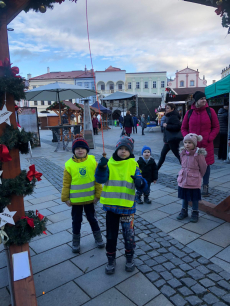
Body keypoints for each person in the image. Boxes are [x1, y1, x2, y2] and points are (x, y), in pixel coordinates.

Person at [95, 136, 148, 275]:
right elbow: (100, 179)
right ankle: (111, 259)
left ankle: (129, 257)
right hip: (111, 208)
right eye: (121, 149)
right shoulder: (109, 163)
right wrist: (101, 168)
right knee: (111, 235)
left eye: (126, 149)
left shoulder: (133, 164)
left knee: (128, 235)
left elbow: (142, 183)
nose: (123, 151)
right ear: (117, 149)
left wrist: (140, 183)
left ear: (130, 152)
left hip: (127, 209)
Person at [61, 135, 104, 253]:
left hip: (90, 199)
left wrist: (97, 195)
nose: (80, 150)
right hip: (76, 201)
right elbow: (66, 183)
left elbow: (97, 181)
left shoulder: (92, 162)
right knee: (76, 220)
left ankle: (98, 238)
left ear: (87, 150)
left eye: (83, 148)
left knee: (92, 219)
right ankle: (76, 241)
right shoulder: (69, 165)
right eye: (77, 148)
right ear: (74, 150)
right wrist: (65, 198)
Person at [181, 91, 219, 197]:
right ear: (196, 100)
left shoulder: (210, 111)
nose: (204, 100)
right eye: (202, 99)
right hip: (193, 146)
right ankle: (194, 185)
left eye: (205, 99)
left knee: (206, 166)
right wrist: (187, 139)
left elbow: (216, 127)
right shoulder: (189, 113)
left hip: (206, 145)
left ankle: (205, 186)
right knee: (192, 165)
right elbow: (183, 128)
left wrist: (209, 138)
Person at [177, 133, 207, 223]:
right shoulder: (183, 154)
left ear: (194, 144)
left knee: (194, 198)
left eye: (189, 142)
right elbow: (183, 165)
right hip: (184, 180)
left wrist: (198, 176)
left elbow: (203, 167)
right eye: (185, 142)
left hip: (194, 180)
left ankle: (195, 212)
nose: (187, 144)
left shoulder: (198, 155)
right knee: (184, 196)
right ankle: (184, 210)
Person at [157, 103, 181, 170]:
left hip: (172, 140)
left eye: (168, 108)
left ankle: (186, 170)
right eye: (166, 108)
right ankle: (155, 170)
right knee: (162, 155)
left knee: (178, 156)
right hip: (168, 140)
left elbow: (178, 126)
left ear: (172, 109)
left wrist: (167, 126)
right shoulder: (169, 116)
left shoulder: (173, 116)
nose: (166, 109)